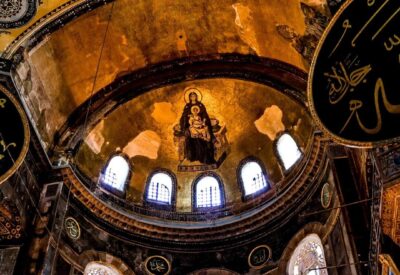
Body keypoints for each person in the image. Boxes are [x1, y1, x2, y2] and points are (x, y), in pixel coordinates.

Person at [179, 91, 215, 164]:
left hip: (200, 125)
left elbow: (205, 115)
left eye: (194, 96)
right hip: (192, 127)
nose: (193, 97)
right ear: (189, 97)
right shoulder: (187, 106)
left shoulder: (200, 105)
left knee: (205, 133)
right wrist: (186, 124)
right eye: (191, 96)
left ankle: (204, 157)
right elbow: (184, 117)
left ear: (197, 97)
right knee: (190, 135)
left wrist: (204, 120)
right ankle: (193, 156)